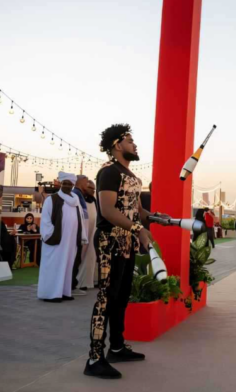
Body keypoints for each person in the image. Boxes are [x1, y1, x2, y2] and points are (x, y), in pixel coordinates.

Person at [85, 124, 168, 379]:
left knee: (121, 298)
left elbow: (138, 211)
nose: (135, 145)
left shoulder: (132, 176)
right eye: (130, 141)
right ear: (117, 145)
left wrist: (156, 218)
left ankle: (117, 347)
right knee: (106, 298)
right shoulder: (109, 172)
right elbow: (108, 210)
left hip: (127, 243)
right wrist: (139, 230)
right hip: (109, 241)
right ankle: (94, 358)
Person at [37, 172, 88, 303]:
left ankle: (64, 292)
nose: (67, 186)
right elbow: (45, 220)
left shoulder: (76, 201)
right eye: (65, 183)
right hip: (56, 240)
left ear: (73, 185)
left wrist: (82, 236)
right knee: (53, 266)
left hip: (71, 241)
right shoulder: (52, 199)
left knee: (68, 266)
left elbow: (81, 219)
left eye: (69, 184)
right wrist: (51, 235)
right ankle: (50, 294)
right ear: (60, 184)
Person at [76, 180, 98, 291]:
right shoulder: (79, 200)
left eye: (94, 189)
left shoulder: (94, 201)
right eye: (91, 188)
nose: (93, 191)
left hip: (93, 232)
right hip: (83, 233)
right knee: (81, 256)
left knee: (92, 256)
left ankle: (91, 281)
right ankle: (80, 282)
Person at [71, 175, 91, 295]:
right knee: (75, 259)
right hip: (77, 234)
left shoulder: (79, 194)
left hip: (80, 233)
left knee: (77, 259)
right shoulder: (76, 194)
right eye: (86, 182)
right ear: (80, 182)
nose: (87, 185)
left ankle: (72, 284)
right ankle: (71, 286)